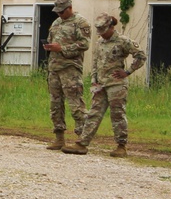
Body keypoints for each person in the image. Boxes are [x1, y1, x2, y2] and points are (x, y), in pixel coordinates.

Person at [62, 13, 145, 157]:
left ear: (111, 27)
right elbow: (96, 62)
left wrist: (128, 72)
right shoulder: (100, 42)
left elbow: (141, 55)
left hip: (116, 84)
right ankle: (82, 143)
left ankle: (121, 146)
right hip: (100, 84)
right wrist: (94, 79)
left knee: (117, 114)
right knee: (94, 113)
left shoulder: (122, 41)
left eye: (104, 30)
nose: (102, 34)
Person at [42, 0, 90, 150]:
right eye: (57, 12)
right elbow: (52, 39)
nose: (59, 14)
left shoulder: (80, 22)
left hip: (70, 69)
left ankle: (82, 139)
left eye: (62, 12)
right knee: (55, 104)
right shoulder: (56, 22)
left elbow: (84, 44)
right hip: (54, 68)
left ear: (70, 8)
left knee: (76, 104)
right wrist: (50, 47)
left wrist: (62, 48)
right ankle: (59, 137)